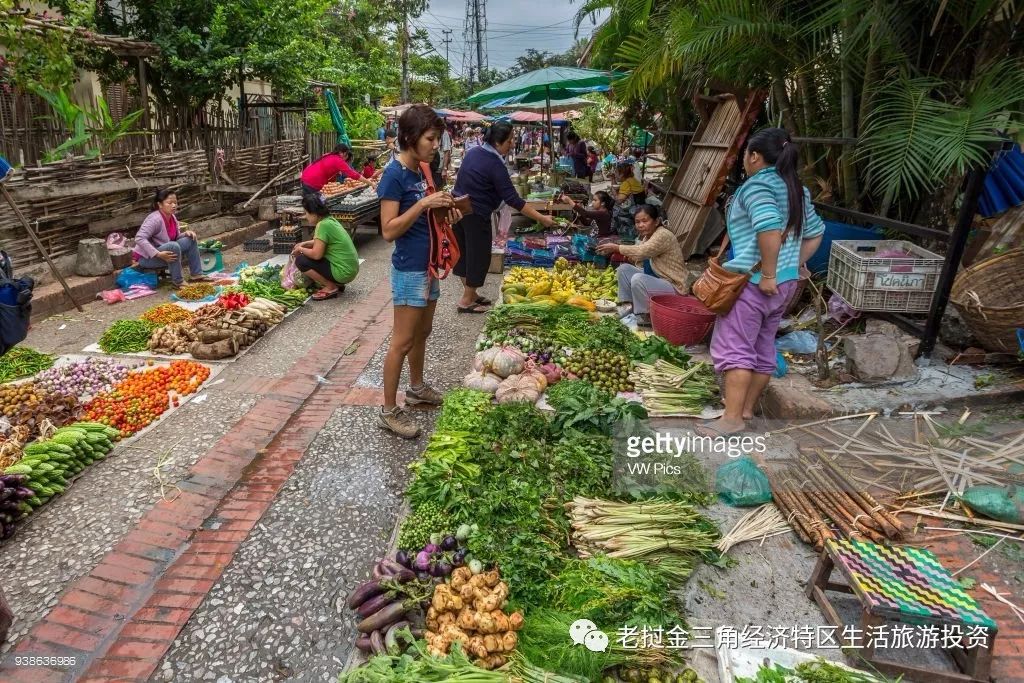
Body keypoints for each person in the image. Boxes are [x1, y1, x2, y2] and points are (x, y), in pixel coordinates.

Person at [697, 128, 824, 438]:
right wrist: (791, 266)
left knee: (736, 349)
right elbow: (816, 232)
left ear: (754, 156)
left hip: (755, 283)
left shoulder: (757, 187)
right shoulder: (796, 188)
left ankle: (731, 419)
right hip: (785, 286)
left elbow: (767, 228)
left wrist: (768, 273)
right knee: (763, 346)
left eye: (745, 155)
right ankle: (746, 410)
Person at [376, 104, 464, 439]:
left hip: (429, 265)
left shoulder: (422, 172)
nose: (435, 145)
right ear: (410, 138)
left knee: (422, 332)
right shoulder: (394, 175)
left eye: (437, 138)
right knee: (401, 341)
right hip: (409, 269)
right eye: (430, 138)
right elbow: (388, 230)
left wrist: (446, 213)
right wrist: (423, 204)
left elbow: (427, 220)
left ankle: (415, 388)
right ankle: (387, 410)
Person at [453, 121, 558, 314]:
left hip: (458, 211)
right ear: (498, 142)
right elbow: (513, 199)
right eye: (510, 141)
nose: (512, 144)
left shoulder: (474, 152)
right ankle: (466, 301)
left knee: (464, 254)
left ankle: (471, 294)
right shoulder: (495, 163)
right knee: (479, 257)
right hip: (476, 214)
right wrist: (542, 219)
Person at [596, 204, 688, 327]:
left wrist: (616, 248)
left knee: (638, 279)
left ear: (656, 221)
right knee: (623, 269)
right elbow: (640, 257)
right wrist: (628, 255)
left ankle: (644, 316)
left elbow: (642, 251)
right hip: (658, 280)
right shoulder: (647, 237)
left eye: (645, 221)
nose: (640, 225)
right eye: (637, 222)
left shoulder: (663, 234)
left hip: (674, 286)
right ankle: (627, 306)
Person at [133, 189, 211, 289]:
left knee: (190, 239)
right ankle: (178, 281)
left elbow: (175, 238)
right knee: (173, 246)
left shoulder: (172, 217)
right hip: (148, 258)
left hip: (166, 251)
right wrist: (158, 254)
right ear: (160, 205)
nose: (173, 205)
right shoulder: (154, 219)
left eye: (175, 203)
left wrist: (185, 234)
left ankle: (196, 274)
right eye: (169, 203)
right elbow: (139, 238)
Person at [291, 195, 359, 301]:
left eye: (306, 213)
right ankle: (336, 283)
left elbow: (316, 255)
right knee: (307, 254)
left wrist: (300, 250)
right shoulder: (330, 220)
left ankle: (330, 287)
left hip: (342, 272)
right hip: (350, 270)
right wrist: (304, 244)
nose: (306, 217)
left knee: (301, 261)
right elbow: (320, 241)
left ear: (314, 213)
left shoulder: (322, 225)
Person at [300, 144, 370, 197]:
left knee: (310, 204)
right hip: (312, 181)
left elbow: (326, 171)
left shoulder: (329, 155)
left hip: (306, 177)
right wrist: (370, 183)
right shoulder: (338, 160)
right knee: (316, 205)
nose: (345, 160)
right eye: (346, 156)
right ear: (343, 153)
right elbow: (353, 174)